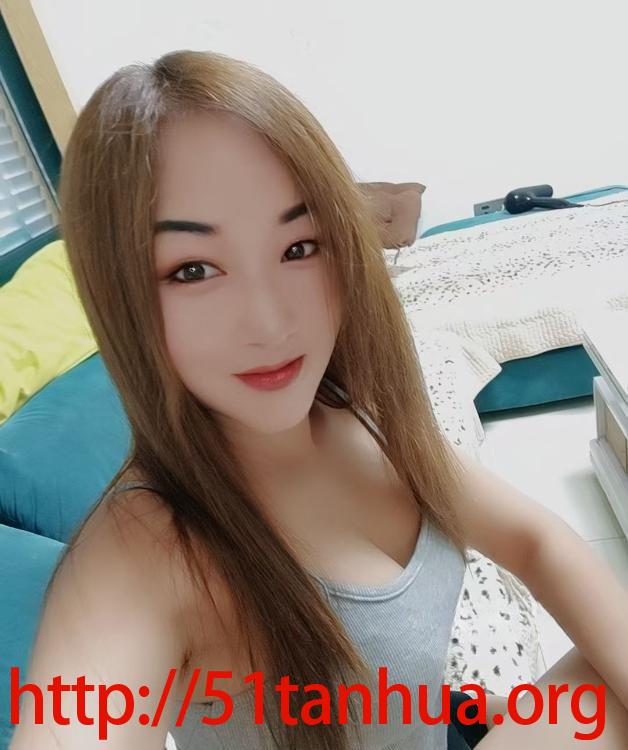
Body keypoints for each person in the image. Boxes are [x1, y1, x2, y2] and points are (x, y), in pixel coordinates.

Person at [9, 50, 628, 750]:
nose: (271, 322)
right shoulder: (144, 550)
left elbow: (538, 542)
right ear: (122, 296)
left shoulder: (356, 416)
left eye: (299, 247)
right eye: (194, 269)